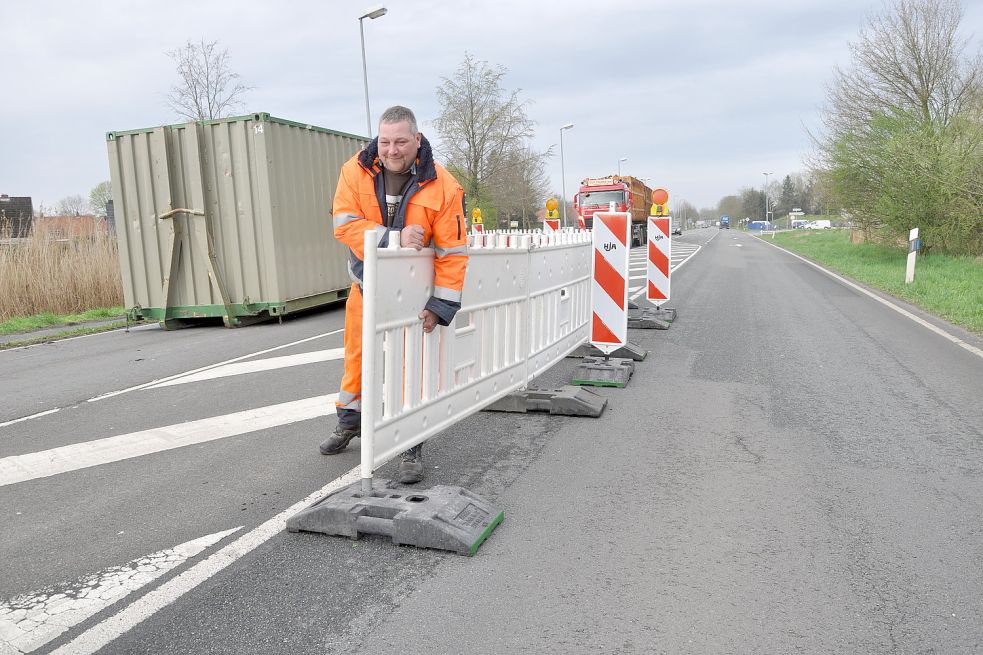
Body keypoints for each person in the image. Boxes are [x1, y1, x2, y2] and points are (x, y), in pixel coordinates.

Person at [320, 105, 468, 485]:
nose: (391, 150)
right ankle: (349, 422)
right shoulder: (354, 171)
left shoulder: (444, 186)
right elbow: (344, 224)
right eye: (385, 141)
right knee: (356, 356)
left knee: (409, 364)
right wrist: (394, 238)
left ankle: (410, 442)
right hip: (365, 284)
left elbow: (452, 252)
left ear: (417, 140)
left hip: (413, 295)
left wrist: (441, 305)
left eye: (401, 141)